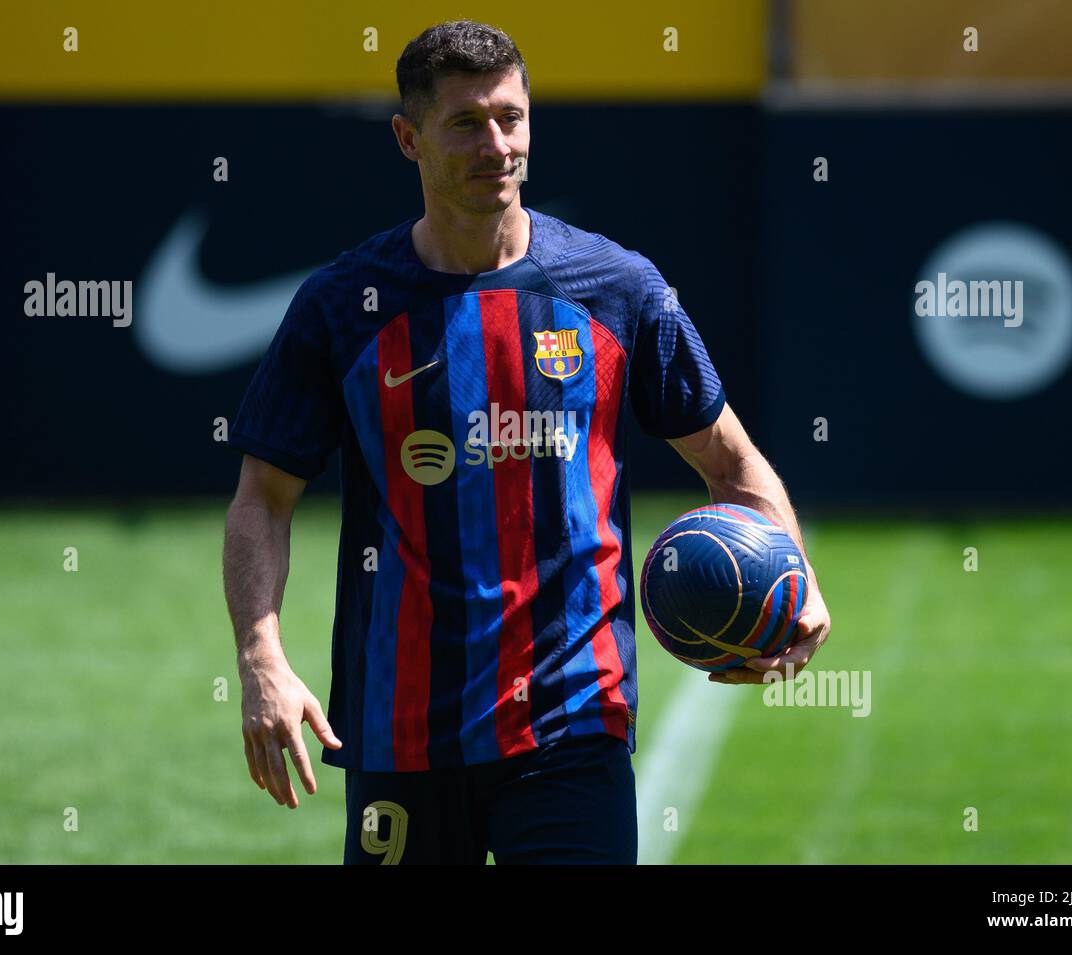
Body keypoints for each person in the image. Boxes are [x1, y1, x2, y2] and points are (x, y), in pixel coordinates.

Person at [222, 19, 830, 864]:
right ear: (409, 138)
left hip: (574, 719)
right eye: (466, 123)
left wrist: (793, 582)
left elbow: (731, 465)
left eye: (512, 117)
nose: (496, 144)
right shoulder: (344, 308)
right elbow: (263, 498)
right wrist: (262, 659)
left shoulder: (619, 291)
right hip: (403, 733)